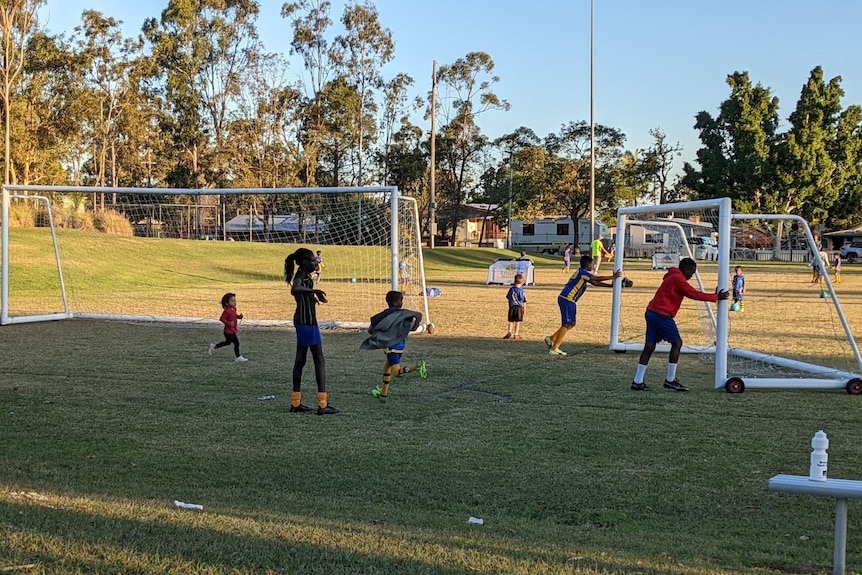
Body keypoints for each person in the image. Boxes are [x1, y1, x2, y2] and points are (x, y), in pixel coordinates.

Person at [630, 257, 729, 392]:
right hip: (661, 315)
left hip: (651, 312)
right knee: (677, 343)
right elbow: (692, 294)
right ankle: (670, 380)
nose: (691, 275)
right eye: (692, 272)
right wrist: (715, 297)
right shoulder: (678, 278)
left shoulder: (672, 275)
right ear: (687, 270)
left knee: (649, 346)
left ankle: (637, 381)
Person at [284, 247, 340, 415]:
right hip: (307, 322)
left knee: (300, 361)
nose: (316, 263)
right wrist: (313, 291)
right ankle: (322, 404)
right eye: (313, 261)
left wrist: (312, 297)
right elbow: (295, 289)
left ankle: (296, 402)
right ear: (304, 263)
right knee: (319, 359)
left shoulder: (305, 276)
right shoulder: (301, 276)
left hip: (303, 321)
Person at [544, 255, 621, 356]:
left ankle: (552, 339)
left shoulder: (582, 273)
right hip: (567, 299)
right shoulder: (583, 273)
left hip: (567, 299)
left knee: (571, 324)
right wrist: (613, 277)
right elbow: (596, 278)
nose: (593, 266)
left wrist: (610, 285)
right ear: (588, 265)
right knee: (567, 324)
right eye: (592, 264)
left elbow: (595, 282)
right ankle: (554, 348)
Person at [362, 291, 427, 402]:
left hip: (390, 346)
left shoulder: (386, 315)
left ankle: (417, 367)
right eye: (401, 300)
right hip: (400, 346)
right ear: (395, 302)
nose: (402, 302)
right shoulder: (402, 315)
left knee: (396, 372)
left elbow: (373, 325)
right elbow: (417, 317)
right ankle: (383, 394)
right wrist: (415, 325)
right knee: (387, 367)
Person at [209, 292, 247, 362]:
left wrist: (239, 316)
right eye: (232, 301)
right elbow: (222, 318)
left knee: (228, 342)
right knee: (236, 343)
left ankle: (214, 346)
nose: (234, 302)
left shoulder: (234, 309)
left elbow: (234, 315)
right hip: (228, 331)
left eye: (235, 301)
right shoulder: (226, 311)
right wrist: (229, 323)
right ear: (226, 303)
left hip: (232, 330)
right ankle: (238, 357)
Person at [503, 273, 527, 340]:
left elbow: (508, 297)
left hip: (512, 307)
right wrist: (524, 309)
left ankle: (509, 332)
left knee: (511, 321)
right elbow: (524, 301)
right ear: (522, 282)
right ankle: (516, 334)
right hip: (519, 307)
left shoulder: (511, 289)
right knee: (518, 321)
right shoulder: (522, 291)